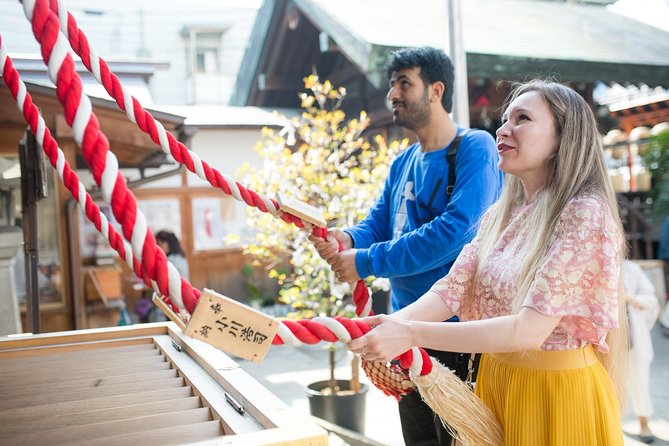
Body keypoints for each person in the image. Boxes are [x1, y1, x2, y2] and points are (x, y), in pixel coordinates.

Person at [347, 79, 629, 445]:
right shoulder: (504, 212)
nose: (503, 129)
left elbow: (528, 331)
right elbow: (452, 290)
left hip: (552, 394)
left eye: (522, 119)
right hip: (496, 381)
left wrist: (410, 333)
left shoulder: (584, 212)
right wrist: (388, 324)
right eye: (505, 118)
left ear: (563, 138)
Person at [310, 46, 503, 446]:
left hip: (458, 336)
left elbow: (457, 230)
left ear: (436, 90)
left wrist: (364, 261)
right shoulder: (403, 162)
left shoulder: (474, 148)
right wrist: (345, 239)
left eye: (404, 83)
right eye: (392, 84)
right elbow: (379, 224)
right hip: (407, 332)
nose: (392, 95)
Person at [623, 259, 660, 444]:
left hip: (633, 336)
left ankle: (643, 424)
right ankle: (611, 424)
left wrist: (630, 298)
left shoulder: (632, 269)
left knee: (639, 381)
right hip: (604, 339)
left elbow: (652, 301)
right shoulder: (592, 264)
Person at [136, 230, 189, 323]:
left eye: (160, 244)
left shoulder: (171, 261)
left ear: (166, 243)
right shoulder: (180, 257)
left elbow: (162, 281)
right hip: (181, 297)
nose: (159, 247)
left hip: (176, 299)